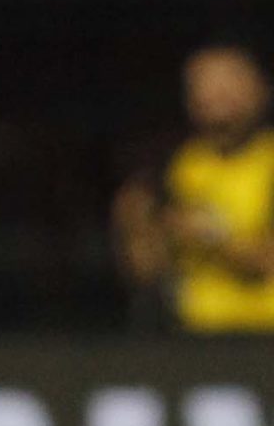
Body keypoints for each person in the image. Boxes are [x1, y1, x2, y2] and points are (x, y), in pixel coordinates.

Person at [114, 43, 274, 333]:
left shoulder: (268, 161)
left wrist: (212, 234)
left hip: (263, 338)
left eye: (230, 80)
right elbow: (144, 269)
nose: (217, 93)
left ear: (261, 88)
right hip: (191, 341)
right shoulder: (171, 167)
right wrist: (139, 228)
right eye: (204, 82)